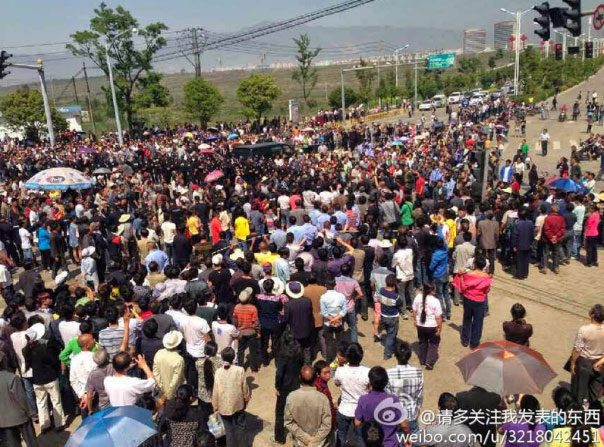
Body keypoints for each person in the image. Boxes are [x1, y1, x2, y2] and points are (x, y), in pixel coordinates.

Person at [22, 322, 66, 433]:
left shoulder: (26, 350)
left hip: (37, 380)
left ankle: (44, 425)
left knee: (41, 403)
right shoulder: (44, 348)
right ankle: (59, 423)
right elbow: (53, 361)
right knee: (56, 401)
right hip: (50, 378)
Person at [354, 366, 407, 447]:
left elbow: (357, 423)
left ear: (370, 382)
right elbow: (404, 425)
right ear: (386, 382)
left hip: (371, 443)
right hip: (390, 443)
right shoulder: (393, 399)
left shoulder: (363, 400)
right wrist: (407, 437)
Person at [285, 364, 333, 447]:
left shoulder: (291, 397)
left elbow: (288, 422)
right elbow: (327, 425)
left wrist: (305, 438)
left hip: (300, 443)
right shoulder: (322, 398)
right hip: (319, 443)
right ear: (315, 378)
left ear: (299, 377)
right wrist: (314, 441)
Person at [212, 347, 251, 447]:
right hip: (238, 405)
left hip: (223, 407)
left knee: (228, 432)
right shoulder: (240, 370)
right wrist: (246, 398)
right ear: (233, 358)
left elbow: (215, 390)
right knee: (241, 428)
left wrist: (215, 405)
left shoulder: (218, 372)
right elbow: (245, 387)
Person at [334, 342, 369, 447]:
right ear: (361, 356)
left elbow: (337, 383)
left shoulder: (340, 371)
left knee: (341, 435)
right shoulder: (367, 372)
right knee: (361, 437)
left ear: (347, 357)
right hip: (361, 411)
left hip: (344, 409)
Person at [0, 351, 38, 447]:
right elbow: (22, 400)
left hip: (4, 421)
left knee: (13, 444)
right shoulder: (12, 378)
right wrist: (32, 413)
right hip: (21, 417)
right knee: (31, 442)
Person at [454, 256, 492, 349]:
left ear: (474, 264)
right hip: (479, 301)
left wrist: (461, 275)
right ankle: (474, 343)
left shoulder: (468, 274)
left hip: (468, 299)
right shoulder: (487, 277)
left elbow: (462, 287)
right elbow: (487, 291)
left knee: (467, 319)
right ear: (484, 266)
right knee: (478, 322)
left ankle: (465, 340)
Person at [273, 330, 304, 444]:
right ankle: (297, 437)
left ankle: (279, 437)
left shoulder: (283, 354)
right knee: (296, 412)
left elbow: (279, 373)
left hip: (285, 387)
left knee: (280, 413)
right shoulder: (299, 352)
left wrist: (277, 386)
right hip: (296, 384)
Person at [570, 304, 604, 402]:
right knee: (594, 391)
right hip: (600, 363)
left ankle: (578, 411)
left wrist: (573, 363)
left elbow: (577, 349)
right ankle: (592, 408)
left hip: (584, 362)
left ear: (592, 315)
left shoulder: (584, 330)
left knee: (579, 391)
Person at [412, 283, 443, 369]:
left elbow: (414, 310)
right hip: (432, 326)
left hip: (420, 325)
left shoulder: (418, 297)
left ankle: (422, 359)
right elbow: (438, 317)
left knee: (422, 342)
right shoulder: (435, 301)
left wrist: (415, 320)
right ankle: (429, 362)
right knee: (434, 343)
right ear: (432, 290)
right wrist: (440, 328)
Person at [374, 274, 403, 360]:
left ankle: (384, 339)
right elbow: (400, 305)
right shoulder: (396, 297)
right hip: (393, 318)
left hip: (383, 316)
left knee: (386, 329)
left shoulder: (382, 291)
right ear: (394, 285)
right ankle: (387, 354)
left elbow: (378, 299)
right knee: (391, 335)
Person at [232, 287, 260, 372]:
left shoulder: (236, 307)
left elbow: (235, 320)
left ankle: (241, 366)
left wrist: (237, 328)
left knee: (240, 350)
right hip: (251, 332)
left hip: (241, 332)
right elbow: (256, 322)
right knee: (253, 351)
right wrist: (258, 332)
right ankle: (254, 368)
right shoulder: (253, 308)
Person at [320, 278, 347, 363]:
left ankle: (329, 361)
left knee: (329, 343)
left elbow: (324, 313)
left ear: (325, 286)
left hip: (328, 323)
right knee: (339, 342)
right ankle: (340, 361)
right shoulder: (341, 296)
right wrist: (336, 319)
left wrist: (332, 320)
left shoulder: (323, 297)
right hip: (339, 323)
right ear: (335, 285)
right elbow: (344, 311)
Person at [153, 330, 185, 400]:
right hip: (173, 392)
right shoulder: (179, 359)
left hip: (161, 390)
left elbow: (155, 373)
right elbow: (175, 381)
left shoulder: (159, 353)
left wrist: (161, 386)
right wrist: (169, 394)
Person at [195, 341, 222, 415]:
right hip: (216, 394)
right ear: (215, 351)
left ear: (205, 351)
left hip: (203, 394)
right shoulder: (220, 362)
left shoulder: (198, 362)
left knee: (204, 416)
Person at [512, 209, 535, 280]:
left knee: (519, 260)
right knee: (526, 260)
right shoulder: (530, 223)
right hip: (528, 244)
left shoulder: (517, 224)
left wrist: (514, 245)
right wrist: (531, 242)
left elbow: (514, 235)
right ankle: (525, 273)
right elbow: (532, 234)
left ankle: (519, 274)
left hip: (519, 244)